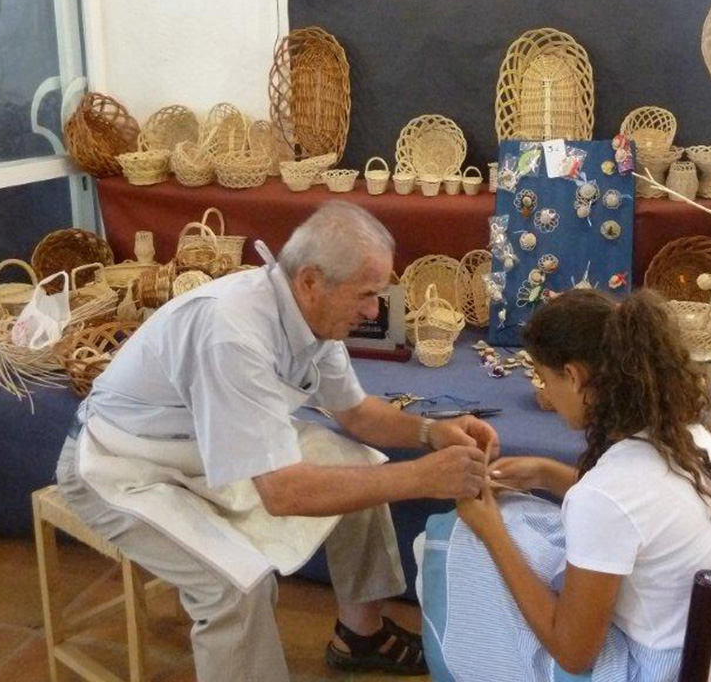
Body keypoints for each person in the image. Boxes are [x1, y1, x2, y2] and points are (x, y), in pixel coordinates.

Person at [56, 202, 499, 681]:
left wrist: (430, 431)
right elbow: (284, 494)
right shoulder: (233, 332)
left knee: (362, 466)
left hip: (205, 449)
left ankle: (360, 634)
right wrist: (419, 477)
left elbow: (356, 414)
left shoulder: (314, 317)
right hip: (124, 464)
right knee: (235, 589)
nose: (376, 311)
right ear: (310, 281)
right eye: (366, 294)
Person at [424, 289, 711, 680]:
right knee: (527, 535)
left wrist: (491, 530)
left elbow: (573, 654)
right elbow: (635, 514)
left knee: (467, 553)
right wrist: (547, 473)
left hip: (663, 670)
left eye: (545, 379)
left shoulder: (604, 494)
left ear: (574, 376)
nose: (544, 392)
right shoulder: (689, 435)